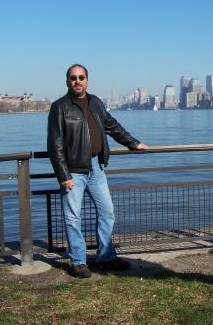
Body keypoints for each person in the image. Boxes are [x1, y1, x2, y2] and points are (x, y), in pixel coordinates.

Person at [47, 64, 148, 278]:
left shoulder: (96, 103)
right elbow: (54, 145)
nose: (77, 81)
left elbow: (112, 126)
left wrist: (134, 143)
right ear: (67, 81)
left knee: (107, 213)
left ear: (87, 80)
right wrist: (63, 175)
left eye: (81, 77)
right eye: (73, 78)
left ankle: (106, 257)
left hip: (97, 167)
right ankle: (78, 261)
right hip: (73, 171)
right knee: (73, 218)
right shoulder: (60, 107)